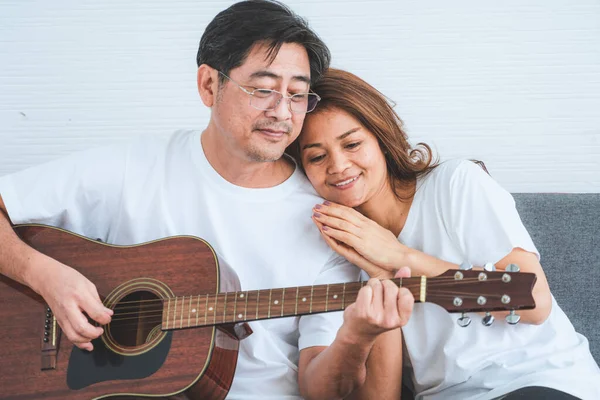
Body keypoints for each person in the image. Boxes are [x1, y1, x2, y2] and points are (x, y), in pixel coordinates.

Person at [0, 2, 414, 399]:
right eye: (263, 88)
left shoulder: (328, 223)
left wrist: (358, 338)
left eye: (298, 94)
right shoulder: (135, 165)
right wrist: (44, 275)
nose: (282, 111)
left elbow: (318, 384)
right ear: (209, 85)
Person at [288, 68, 600, 400]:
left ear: (381, 138)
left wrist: (400, 256)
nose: (338, 165)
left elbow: (534, 300)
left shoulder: (454, 184)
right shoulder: (336, 251)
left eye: (352, 144)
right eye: (317, 156)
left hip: (537, 380)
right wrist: (383, 276)